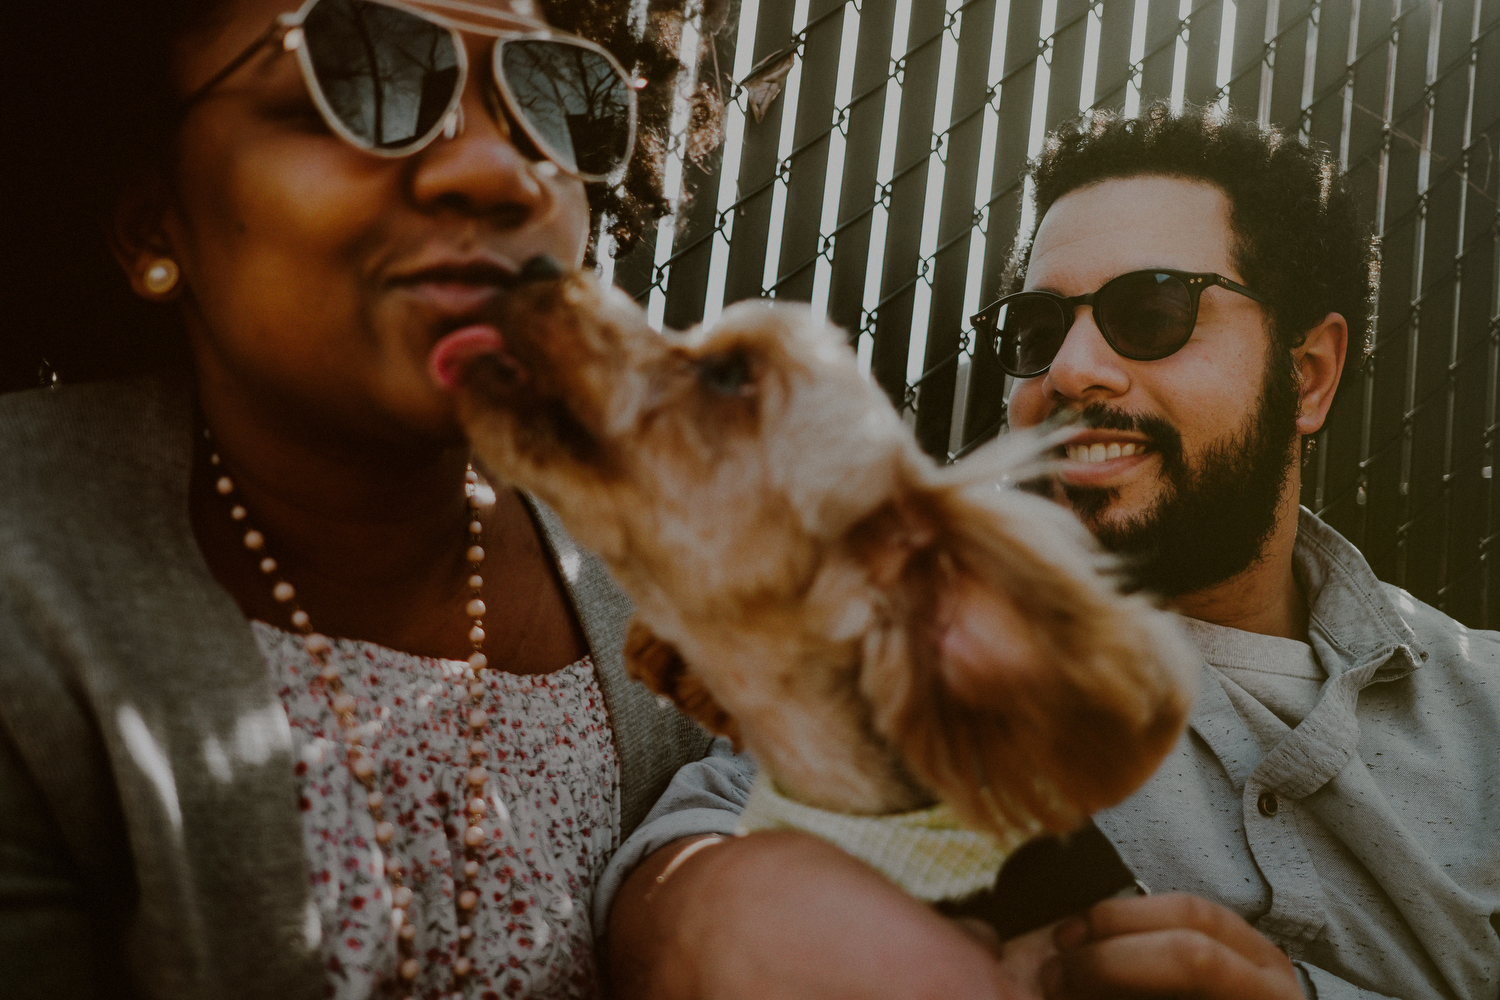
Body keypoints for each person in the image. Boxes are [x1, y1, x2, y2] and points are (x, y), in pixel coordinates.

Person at [608, 104, 1499, 1000]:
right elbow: (679, 882)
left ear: (1306, 376)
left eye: (1149, 311)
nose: (1069, 371)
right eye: (1037, 331)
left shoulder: (1484, 715)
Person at [0, 0, 756, 996]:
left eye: (547, 97)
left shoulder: (685, 568)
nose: (500, 172)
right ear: (153, 214)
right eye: (360, 76)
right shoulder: (25, 582)